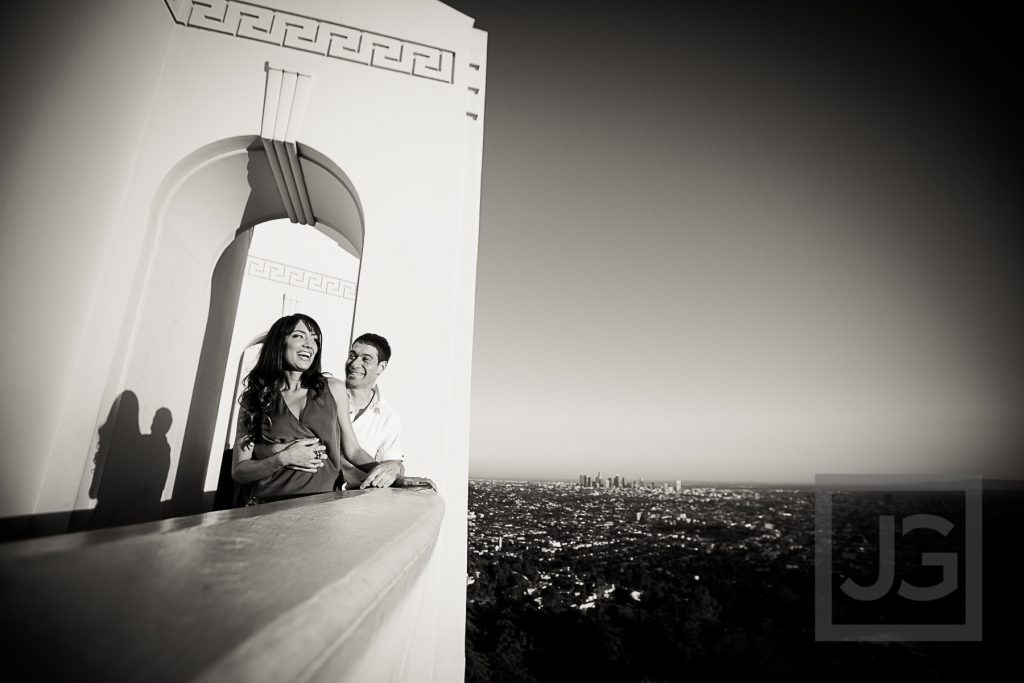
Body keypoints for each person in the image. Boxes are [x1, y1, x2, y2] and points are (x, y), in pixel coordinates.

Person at [230, 314, 378, 504]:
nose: (310, 344)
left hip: (321, 509)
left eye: (315, 339)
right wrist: (281, 458)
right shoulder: (255, 399)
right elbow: (239, 471)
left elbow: (354, 451)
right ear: (279, 342)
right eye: (299, 336)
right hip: (267, 508)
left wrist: (392, 473)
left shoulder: (333, 388)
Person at [339, 333, 435, 491]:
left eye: (365, 359)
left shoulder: (388, 417)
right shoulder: (326, 396)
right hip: (311, 494)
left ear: (381, 367)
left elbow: (393, 465)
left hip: (354, 502)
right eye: (352, 356)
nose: (354, 364)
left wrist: (395, 468)